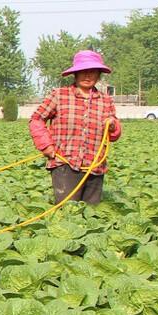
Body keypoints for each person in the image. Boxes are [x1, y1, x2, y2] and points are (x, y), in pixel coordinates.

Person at [29, 49, 122, 205]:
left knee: (91, 214)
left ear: (98, 75)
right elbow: (36, 119)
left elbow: (114, 135)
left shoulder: (106, 100)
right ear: (75, 74)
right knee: (68, 212)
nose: (87, 76)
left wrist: (112, 126)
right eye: (83, 72)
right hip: (65, 164)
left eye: (92, 72)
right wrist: (46, 146)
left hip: (95, 166)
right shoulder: (59, 95)